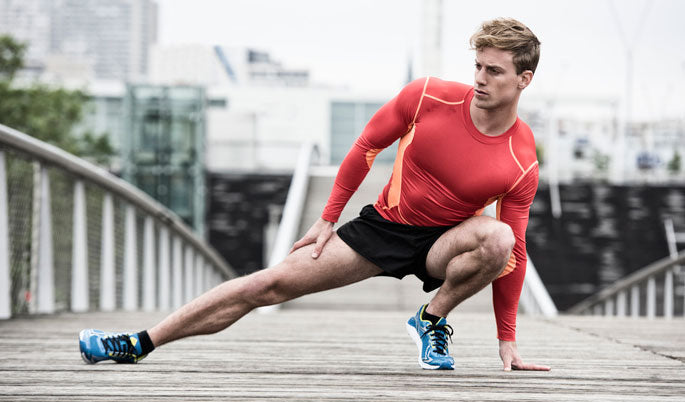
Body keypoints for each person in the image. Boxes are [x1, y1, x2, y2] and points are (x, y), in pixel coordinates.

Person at [79, 17, 550, 372]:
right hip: (384, 228)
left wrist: (506, 338)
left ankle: (432, 318)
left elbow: (519, 250)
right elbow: (367, 146)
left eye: (494, 71)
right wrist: (327, 218)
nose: (480, 79)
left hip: (447, 242)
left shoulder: (521, 158)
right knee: (267, 285)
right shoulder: (429, 96)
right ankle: (139, 342)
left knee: (501, 240)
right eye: (478, 66)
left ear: (523, 80)